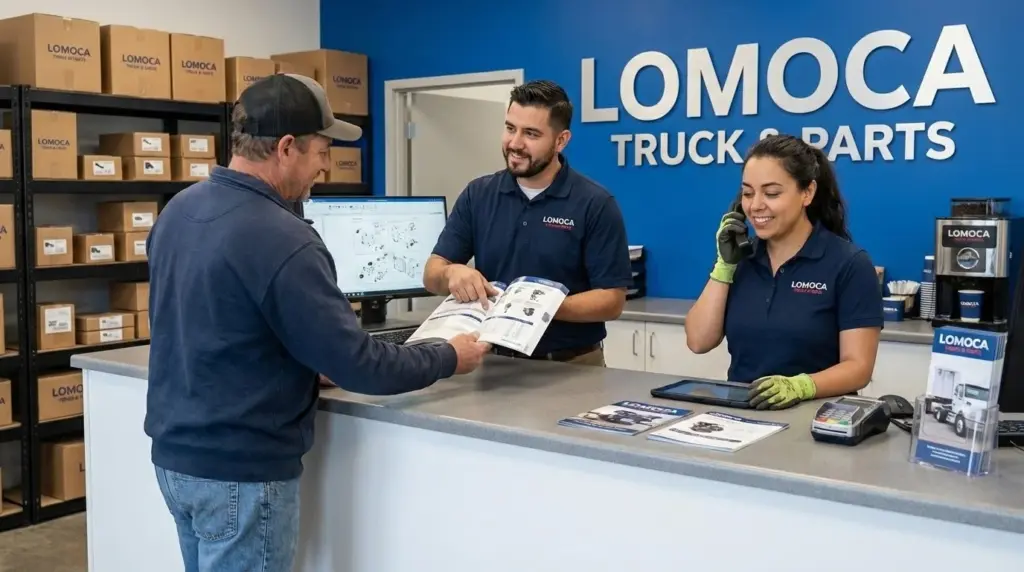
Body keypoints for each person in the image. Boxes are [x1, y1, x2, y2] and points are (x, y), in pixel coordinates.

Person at [144, 73, 491, 572]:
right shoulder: (285, 238)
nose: (325, 168)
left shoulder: (179, 210)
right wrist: (448, 355)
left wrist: (304, 366)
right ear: (286, 148)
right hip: (242, 473)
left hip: (176, 459)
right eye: (322, 151)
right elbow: (364, 368)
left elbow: (221, 326)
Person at [422, 80, 633, 366]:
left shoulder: (595, 204)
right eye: (510, 128)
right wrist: (452, 274)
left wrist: (536, 308)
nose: (515, 143)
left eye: (531, 134)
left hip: (572, 366)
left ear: (561, 140)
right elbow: (432, 273)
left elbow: (612, 300)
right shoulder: (479, 194)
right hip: (492, 363)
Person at [685, 134, 883, 410]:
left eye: (772, 193)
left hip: (817, 419)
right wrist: (724, 266)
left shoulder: (850, 263)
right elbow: (698, 341)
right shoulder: (740, 258)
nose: (755, 206)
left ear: (807, 193)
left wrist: (801, 386)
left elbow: (858, 367)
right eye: (747, 193)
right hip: (742, 414)